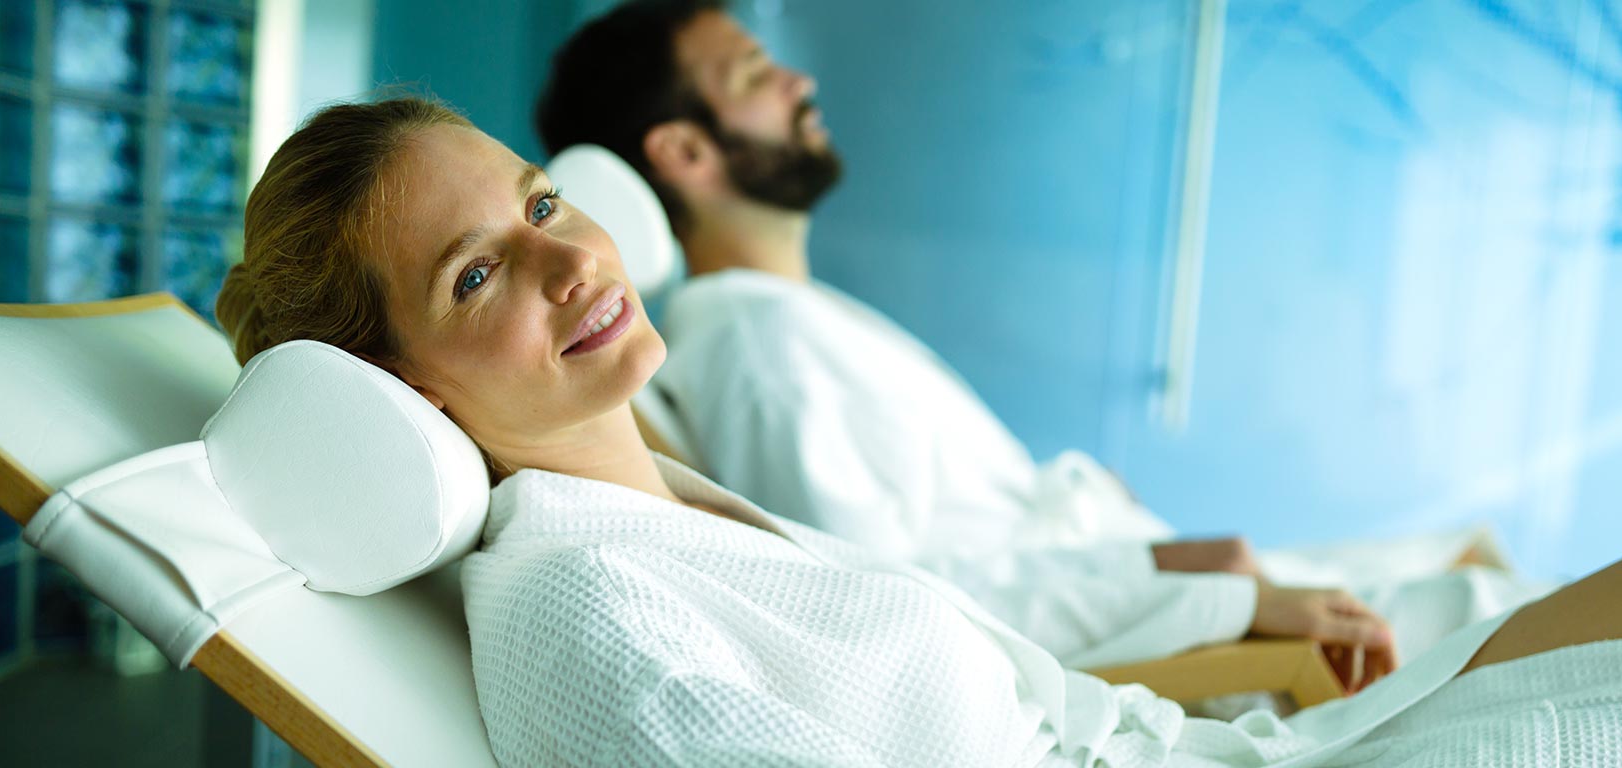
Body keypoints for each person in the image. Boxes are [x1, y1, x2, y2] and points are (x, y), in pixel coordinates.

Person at [214, 97, 1622, 766]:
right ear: (409, 391)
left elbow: (1019, 683)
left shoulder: (678, 504)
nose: (576, 245)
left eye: (531, 195)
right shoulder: (588, 620)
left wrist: (1241, 670)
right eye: (479, 268)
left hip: (1235, 748)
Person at [529, 0, 1543, 674]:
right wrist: (1178, 577)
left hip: (1136, 572)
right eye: (754, 72)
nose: (799, 83)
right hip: (1161, 631)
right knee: (1497, 600)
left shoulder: (798, 323)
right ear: (688, 151)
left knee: (1475, 551)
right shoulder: (757, 350)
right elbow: (890, 602)